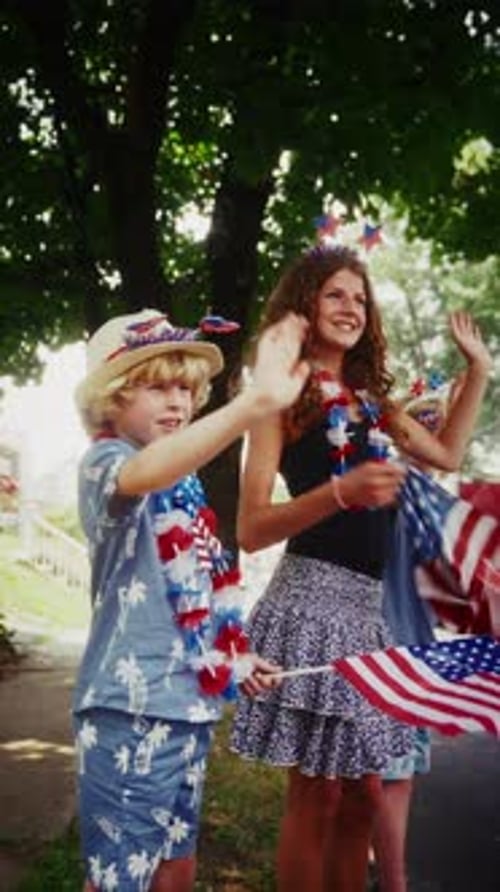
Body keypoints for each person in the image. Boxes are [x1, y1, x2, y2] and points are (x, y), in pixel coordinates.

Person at [229, 244, 492, 892]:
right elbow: (251, 529)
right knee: (317, 795)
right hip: (310, 602)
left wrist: (480, 370)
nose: (351, 307)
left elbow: (448, 454)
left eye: (360, 298)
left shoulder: (372, 401)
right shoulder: (279, 399)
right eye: (335, 295)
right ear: (306, 303)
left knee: (364, 798)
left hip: (368, 613)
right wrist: (339, 493)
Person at [72, 307, 309, 892]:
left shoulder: (184, 488)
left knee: (175, 865)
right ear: (111, 400)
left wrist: (235, 657)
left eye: (185, 388)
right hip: (131, 709)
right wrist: (252, 405)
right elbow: (144, 473)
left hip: (188, 707)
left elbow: (193, 596)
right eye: (157, 387)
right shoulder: (109, 463)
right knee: (120, 875)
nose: (177, 401)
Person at [371, 374, 465, 892]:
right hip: (393, 647)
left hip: (413, 647)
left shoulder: (413, 490)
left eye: (439, 422)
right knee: (390, 778)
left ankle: (384, 872)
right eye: (424, 422)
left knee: (395, 777)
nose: (435, 432)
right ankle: (392, 881)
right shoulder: (400, 487)